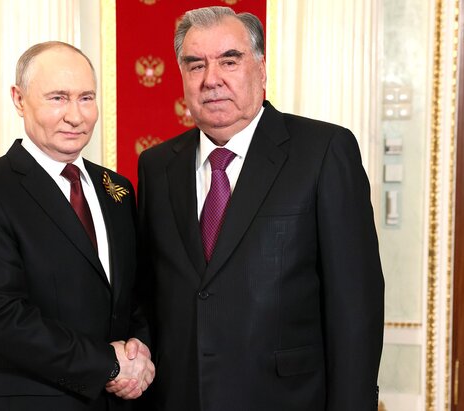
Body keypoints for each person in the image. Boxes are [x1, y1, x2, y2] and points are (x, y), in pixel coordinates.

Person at [136, 6, 384, 411]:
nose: (211, 79)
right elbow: (149, 293)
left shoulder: (323, 151)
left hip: (287, 399)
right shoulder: (157, 166)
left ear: (262, 69)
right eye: (196, 65)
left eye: (229, 61)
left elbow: (355, 305)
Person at [0, 41, 154, 411]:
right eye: (58, 98)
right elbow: (0, 319)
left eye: (86, 98)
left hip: (117, 401)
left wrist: (139, 350)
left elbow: (136, 295)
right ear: (19, 99)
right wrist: (106, 365)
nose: (75, 116)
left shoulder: (117, 189)